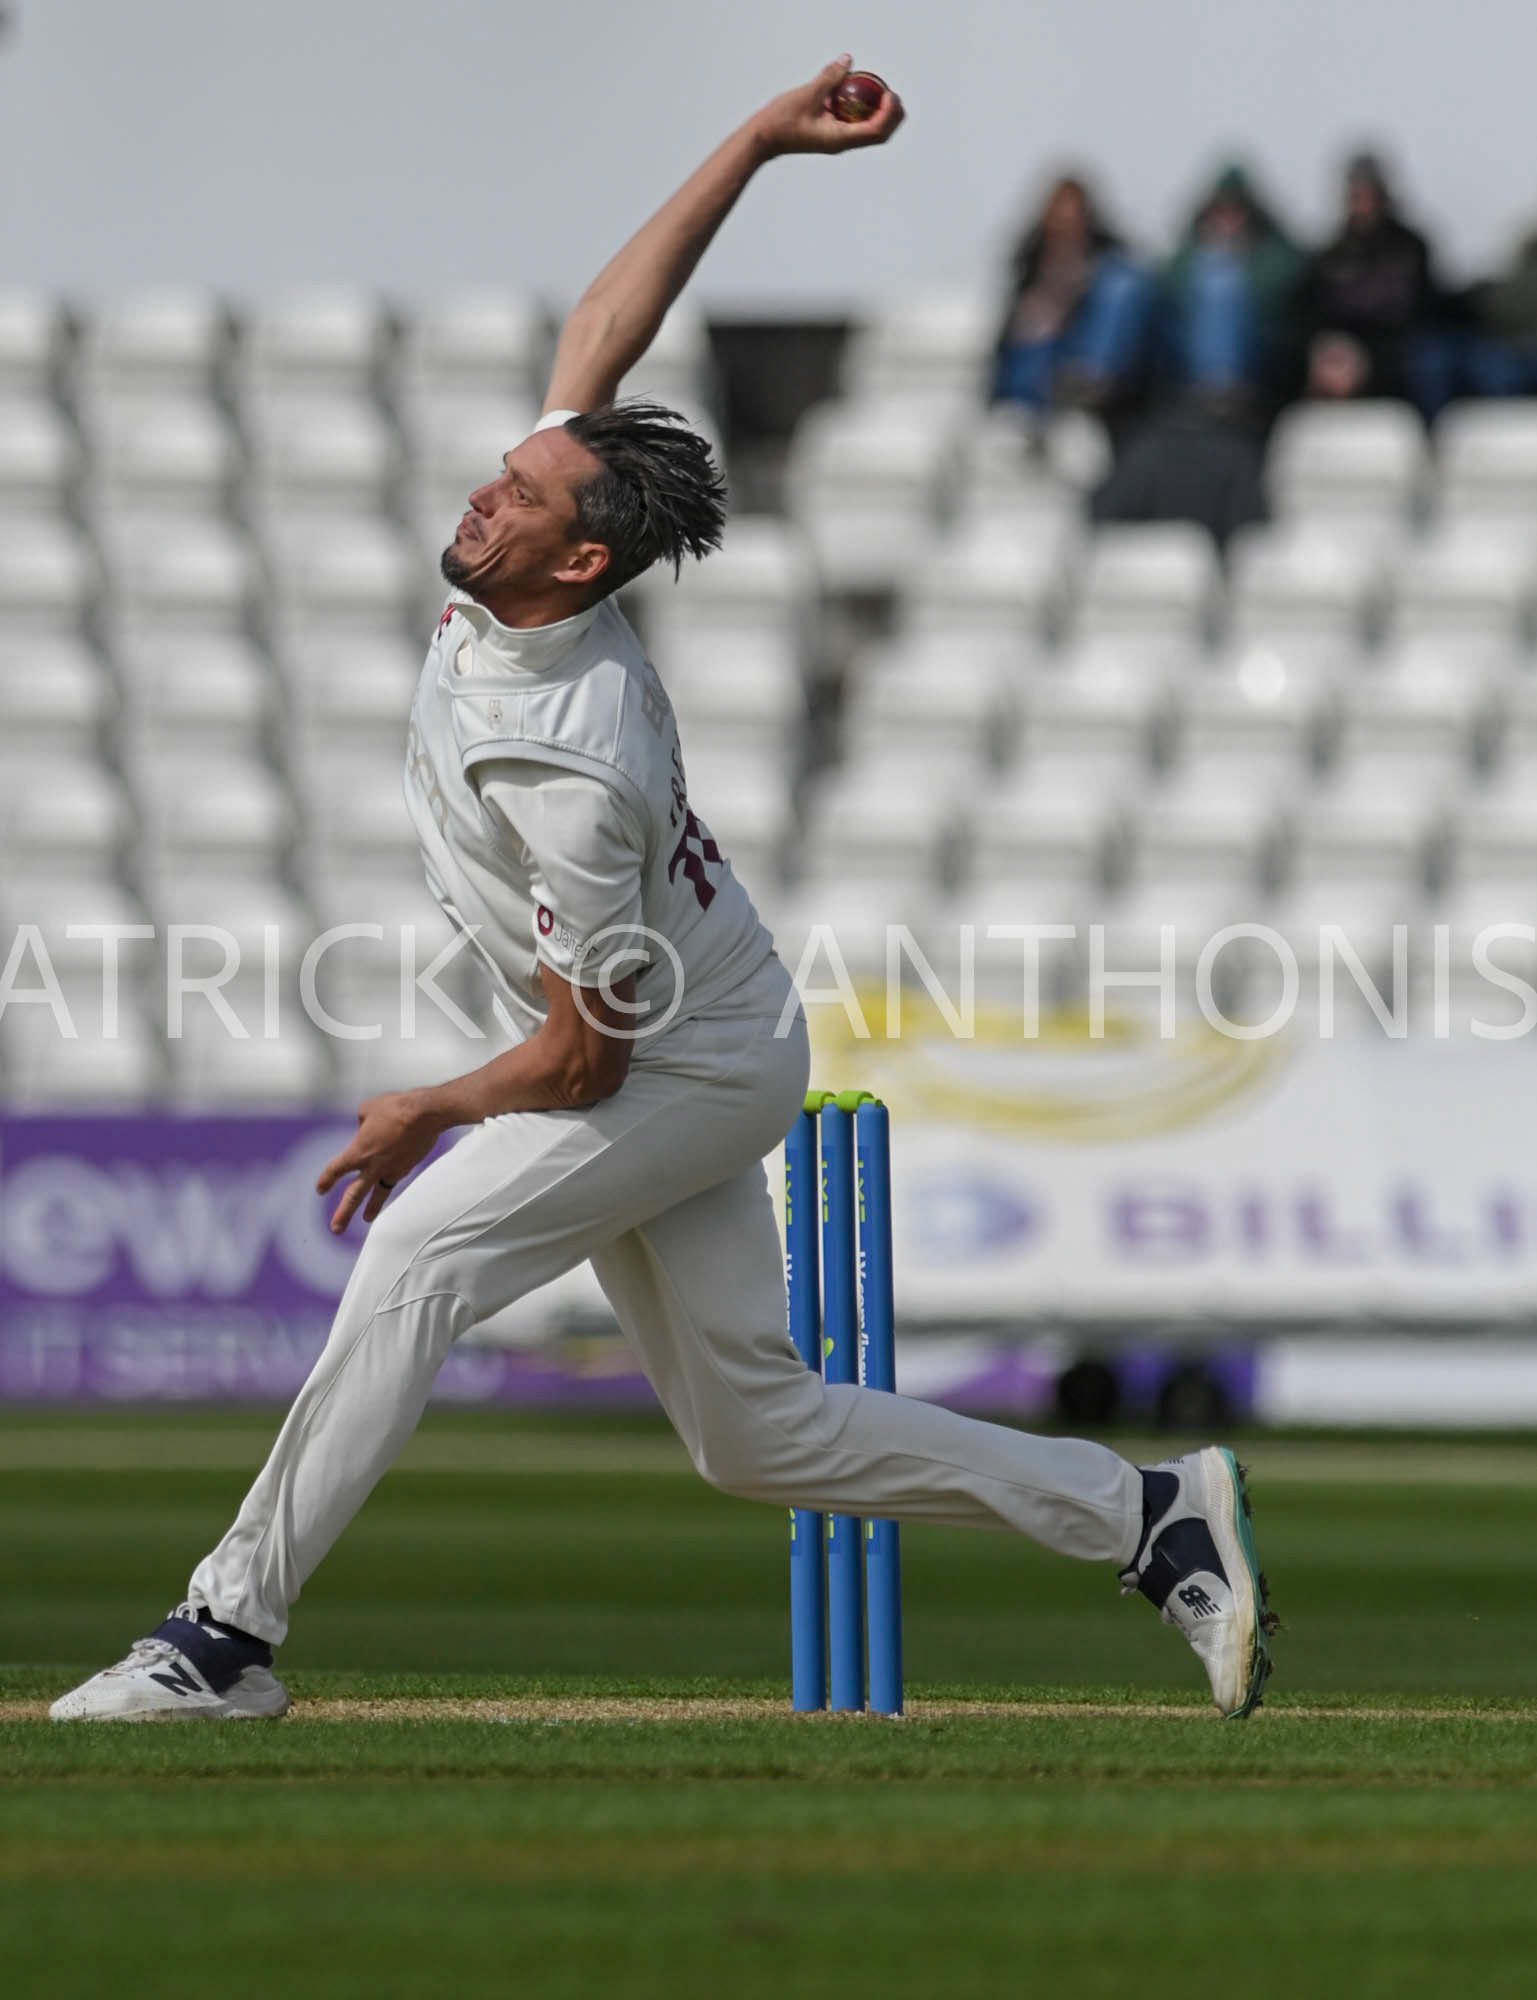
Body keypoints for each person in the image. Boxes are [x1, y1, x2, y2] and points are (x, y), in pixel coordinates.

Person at [50, 59, 1273, 1727]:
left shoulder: (577, 759)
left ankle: (220, 1640)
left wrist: (431, 1105)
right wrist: (758, 144)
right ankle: (1147, 1519)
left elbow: (581, 1068)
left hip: (677, 1062)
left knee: (416, 1256)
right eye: (509, 474)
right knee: (754, 1435)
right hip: (703, 1022)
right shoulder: (525, 571)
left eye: (523, 500)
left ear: (580, 562)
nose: (485, 494)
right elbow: (607, 325)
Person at [990, 173, 1153, 416]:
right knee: (1035, 325)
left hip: (1083, 350)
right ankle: (1021, 408)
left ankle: (1088, 382)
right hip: (1043, 357)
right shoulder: (1030, 259)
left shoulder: (1107, 260)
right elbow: (1010, 327)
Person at [1299, 150, 1442, 412]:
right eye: (1357, 195)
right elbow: (1313, 313)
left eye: (1369, 195)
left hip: (1398, 351)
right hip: (1344, 351)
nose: (1363, 204)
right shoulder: (1331, 254)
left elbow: (1425, 307)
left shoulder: (1410, 248)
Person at [1158, 162, 1303, 416]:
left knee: (1222, 283)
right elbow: (1168, 286)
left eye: (1236, 211)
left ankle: (1222, 387)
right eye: (1221, 212)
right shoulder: (1191, 252)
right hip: (1189, 354)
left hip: (1258, 350)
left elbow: (1284, 285)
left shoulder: (1272, 248)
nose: (1229, 220)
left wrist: (1241, 262)